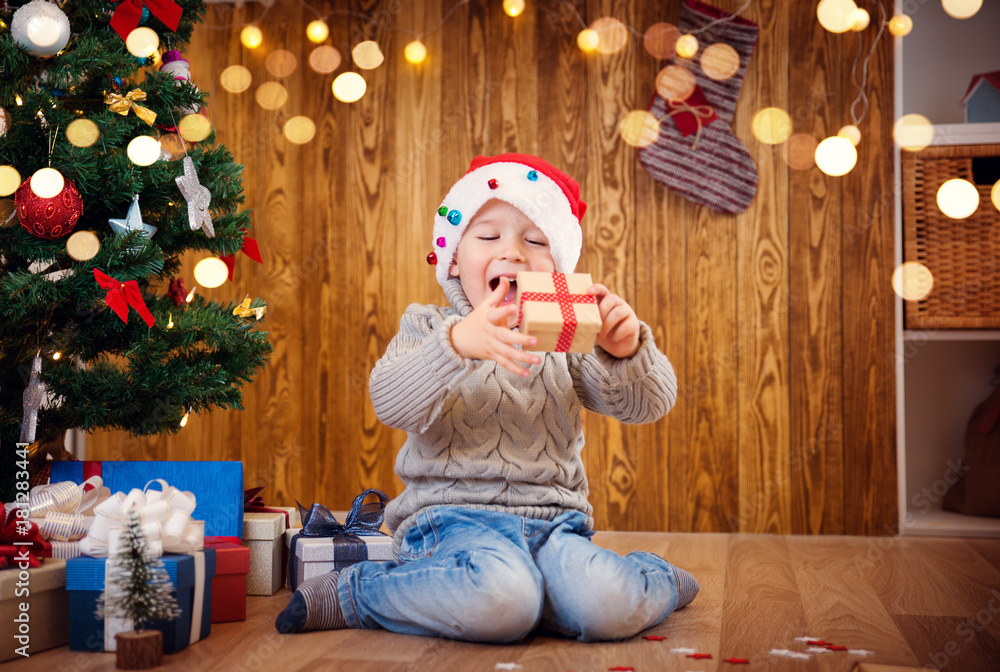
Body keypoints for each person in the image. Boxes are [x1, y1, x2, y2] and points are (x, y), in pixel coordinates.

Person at [276, 153, 697, 642]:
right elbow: (389, 402)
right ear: (454, 257)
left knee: (608, 606)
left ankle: (650, 577)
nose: (514, 252)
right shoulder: (428, 325)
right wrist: (455, 347)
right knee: (506, 600)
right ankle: (358, 592)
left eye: (536, 240)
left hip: (555, 526)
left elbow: (646, 406)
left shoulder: (565, 337)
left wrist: (626, 353)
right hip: (449, 524)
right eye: (490, 236)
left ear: (557, 267)